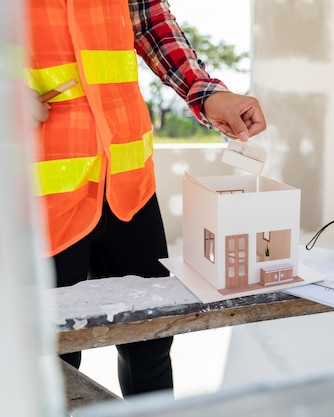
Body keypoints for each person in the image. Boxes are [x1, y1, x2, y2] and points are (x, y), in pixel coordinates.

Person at [26, 0, 266, 396]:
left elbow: (151, 21)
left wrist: (204, 92)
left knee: (151, 340)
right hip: (39, 195)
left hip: (128, 186)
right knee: (49, 356)